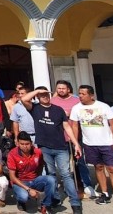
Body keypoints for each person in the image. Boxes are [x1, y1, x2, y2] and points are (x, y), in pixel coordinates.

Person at [21, 86, 84, 214]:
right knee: (51, 174)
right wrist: (38, 91)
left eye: (46, 94)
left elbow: (67, 127)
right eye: (42, 95)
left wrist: (76, 143)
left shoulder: (58, 109)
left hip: (60, 146)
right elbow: (24, 99)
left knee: (66, 174)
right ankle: (55, 199)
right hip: (44, 147)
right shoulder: (35, 108)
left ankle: (75, 202)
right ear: (38, 96)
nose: (45, 96)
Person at [71, 85, 113, 213]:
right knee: (98, 167)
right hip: (89, 144)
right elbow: (75, 126)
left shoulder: (103, 106)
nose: (80, 96)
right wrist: (76, 144)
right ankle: (105, 193)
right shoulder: (76, 108)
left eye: (83, 94)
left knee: (112, 169)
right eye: (79, 93)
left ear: (91, 95)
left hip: (107, 143)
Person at [51, 80, 94, 198]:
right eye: (59, 88)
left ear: (68, 89)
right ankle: (69, 186)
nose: (61, 90)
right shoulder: (52, 101)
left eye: (63, 88)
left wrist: (70, 114)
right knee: (65, 164)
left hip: (77, 137)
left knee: (80, 162)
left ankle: (86, 184)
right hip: (60, 137)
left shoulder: (77, 100)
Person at [8, 131, 57, 213]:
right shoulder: (12, 154)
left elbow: (40, 165)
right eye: (22, 144)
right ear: (18, 144)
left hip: (34, 179)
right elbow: (12, 177)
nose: (25, 146)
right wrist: (28, 189)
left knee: (51, 180)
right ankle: (21, 202)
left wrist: (38, 178)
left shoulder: (38, 152)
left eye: (27, 144)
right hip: (19, 182)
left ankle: (46, 205)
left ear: (31, 143)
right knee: (23, 197)